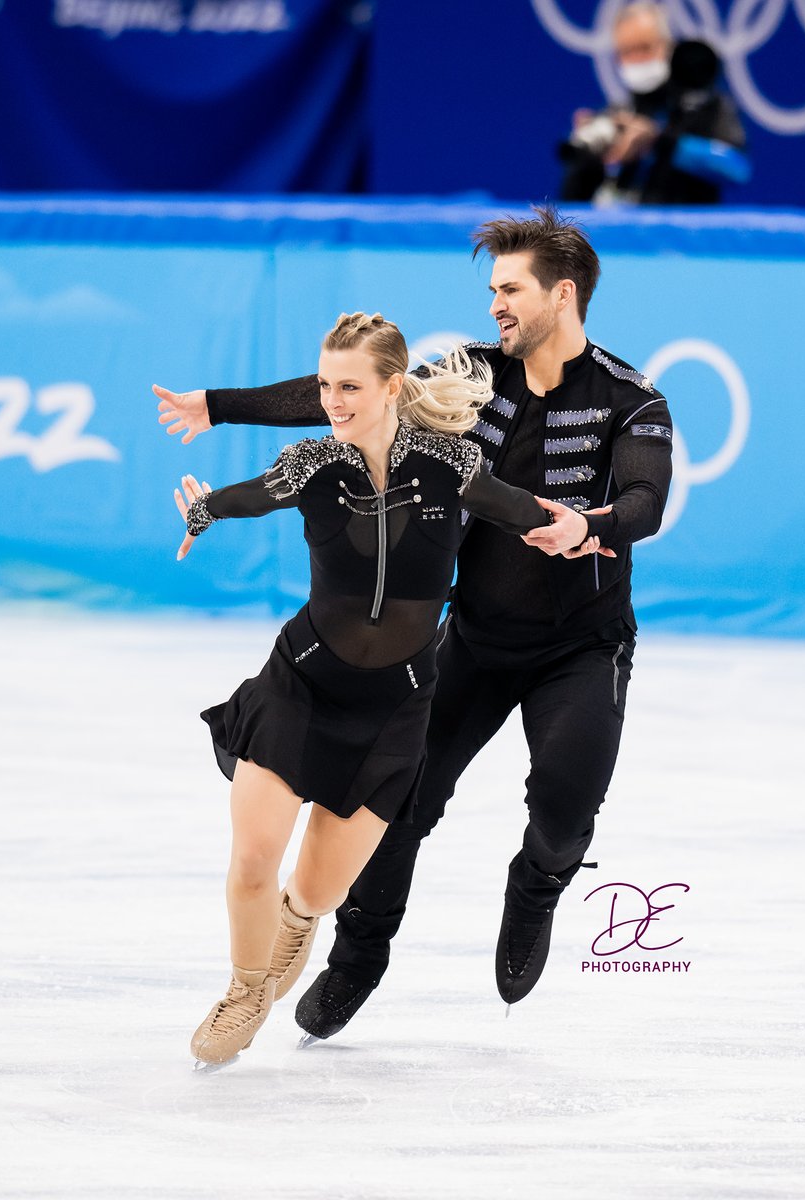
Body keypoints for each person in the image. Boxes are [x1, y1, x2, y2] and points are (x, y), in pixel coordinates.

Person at [154, 206, 673, 1041]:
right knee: (403, 802)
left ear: (563, 294)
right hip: (471, 635)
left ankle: (535, 887)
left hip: (582, 644)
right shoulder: (471, 372)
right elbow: (352, 396)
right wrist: (219, 405)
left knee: (566, 809)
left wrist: (591, 525)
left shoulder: (631, 398)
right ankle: (356, 956)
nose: (496, 303)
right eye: (493, 289)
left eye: (511, 289)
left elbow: (647, 498)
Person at [173, 311, 565, 1065]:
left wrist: (568, 529)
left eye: (348, 386)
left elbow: (520, 511)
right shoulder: (310, 463)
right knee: (254, 855)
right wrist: (201, 510)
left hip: (394, 708)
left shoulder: (450, 465)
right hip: (300, 685)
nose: (331, 400)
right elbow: (244, 496)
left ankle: (296, 923)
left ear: (392, 388)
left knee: (316, 893)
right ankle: (246, 988)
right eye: (323, 385)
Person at [558, 1, 750, 205]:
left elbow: (737, 170)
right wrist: (590, 159)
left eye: (645, 47)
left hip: (685, 233)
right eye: (627, 51)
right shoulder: (618, 113)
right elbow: (574, 204)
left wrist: (659, 142)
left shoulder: (707, 106)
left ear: (667, 47)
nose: (637, 59)